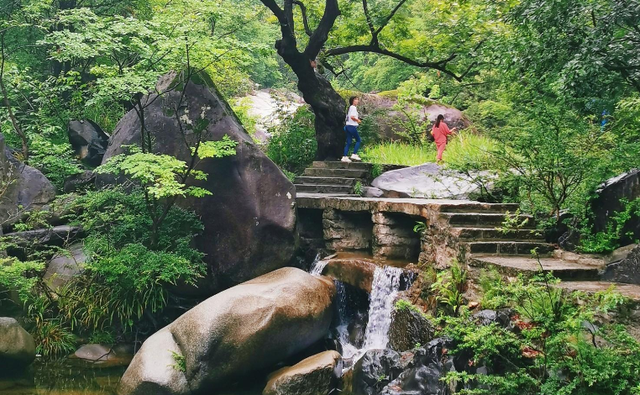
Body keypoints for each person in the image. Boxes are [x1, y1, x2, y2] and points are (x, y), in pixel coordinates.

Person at [342, 96, 362, 163]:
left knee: (349, 142)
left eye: (357, 99)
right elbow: (352, 117)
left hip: (347, 126)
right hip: (352, 126)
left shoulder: (350, 108)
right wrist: (358, 120)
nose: (357, 101)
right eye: (355, 99)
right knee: (358, 140)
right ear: (352, 101)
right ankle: (354, 154)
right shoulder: (353, 107)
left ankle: (344, 156)